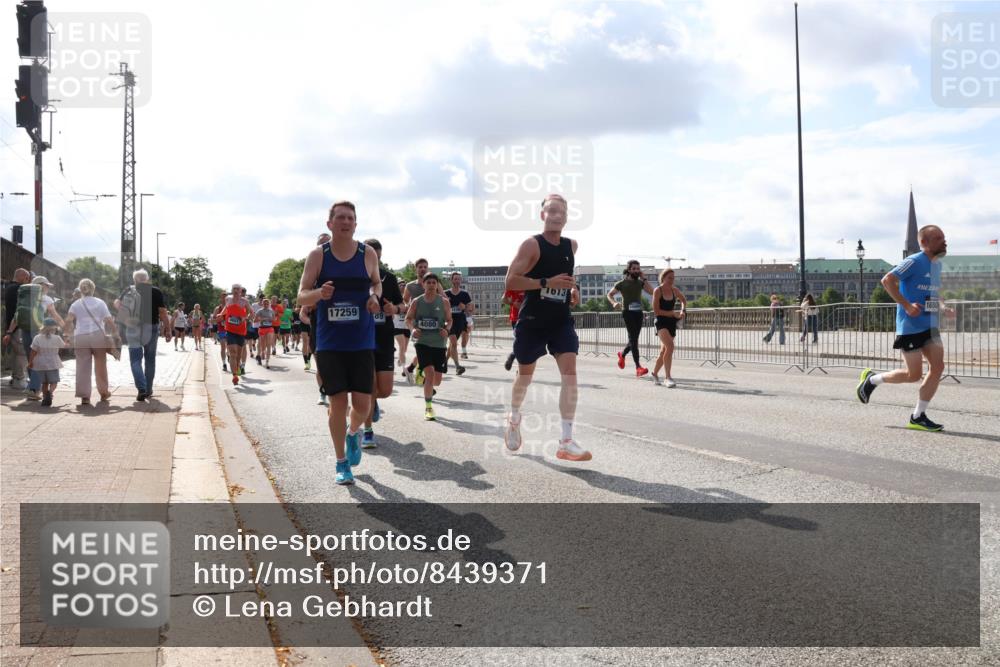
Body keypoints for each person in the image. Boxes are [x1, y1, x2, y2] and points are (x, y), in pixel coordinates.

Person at [297, 201, 381, 485]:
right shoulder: (318, 255)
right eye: (340, 217)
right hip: (331, 342)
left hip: (361, 340)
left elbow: (376, 283)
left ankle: (354, 431)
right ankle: (341, 462)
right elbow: (301, 296)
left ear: (356, 224)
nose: (346, 221)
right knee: (337, 402)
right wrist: (320, 292)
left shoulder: (366, 253)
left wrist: (375, 297)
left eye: (350, 218)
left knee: (362, 404)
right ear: (329, 223)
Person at [503, 194, 589, 462]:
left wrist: (572, 291)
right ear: (543, 215)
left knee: (570, 374)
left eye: (561, 211)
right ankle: (514, 416)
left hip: (561, 319)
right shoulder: (532, 245)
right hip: (533, 321)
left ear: (567, 216)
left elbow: (565, 281)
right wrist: (546, 282)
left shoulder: (571, 246)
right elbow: (511, 281)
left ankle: (566, 441)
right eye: (551, 211)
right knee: (525, 376)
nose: (556, 215)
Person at [856, 225, 949, 431]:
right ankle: (873, 380)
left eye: (944, 238)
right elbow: (887, 280)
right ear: (924, 243)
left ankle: (918, 416)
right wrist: (906, 306)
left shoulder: (937, 265)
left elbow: (934, 293)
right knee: (913, 375)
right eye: (938, 238)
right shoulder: (914, 261)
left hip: (930, 326)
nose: (944, 241)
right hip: (910, 327)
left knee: (938, 367)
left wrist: (943, 307)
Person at [362, 238, 404, 446]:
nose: (374, 261)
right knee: (368, 386)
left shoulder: (389, 278)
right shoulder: (357, 277)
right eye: (371, 256)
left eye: (377, 257)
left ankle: (373, 401)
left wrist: (394, 309)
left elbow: (401, 305)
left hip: (385, 337)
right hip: (361, 339)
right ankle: (367, 430)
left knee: (385, 390)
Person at [116, 269, 171, 401]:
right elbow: (163, 312)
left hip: (132, 327)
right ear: (146, 279)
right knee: (150, 359)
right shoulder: (155, 291)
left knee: (135, 360)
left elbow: (117, 303)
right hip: (151, 327)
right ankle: (148, 389)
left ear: (135, 280)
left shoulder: (129, 290)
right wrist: (168, 329)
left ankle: (141, 388)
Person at [405, 272, 452, 421]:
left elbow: (450, 320)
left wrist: (447, 330)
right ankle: (429, 407)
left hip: (439, 343)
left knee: (436, 381)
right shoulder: (417, 302)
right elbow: (408, 319)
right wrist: (413, 329)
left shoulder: (444, 302)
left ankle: (422, 378)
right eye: (428, 282)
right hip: (422, 342)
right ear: (423, 284)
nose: (431, 285)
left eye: (434, 283)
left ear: (437, 285)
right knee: (430, 373)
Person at [65, 278, 116, 405]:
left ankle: (85, 396)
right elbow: (109, 320)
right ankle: (104, 393)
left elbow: (68, 320)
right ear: (93, 289)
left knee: (82, 366)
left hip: (81, 336)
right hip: (97, 336)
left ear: (81, 289)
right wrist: (116, 333)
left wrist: (68, 335)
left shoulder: (76, 304)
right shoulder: (100, 303)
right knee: (100, 365)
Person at [608, 260, 655, 377]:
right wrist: (614, 303)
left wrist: (644, 278)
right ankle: (638, 367)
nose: (636, 271)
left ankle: (622, 355)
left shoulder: (640, 282)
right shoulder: (621, 283)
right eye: (634, 269)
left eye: (638, 269)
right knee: (634, 340)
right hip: (627, 313)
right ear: (629, 270)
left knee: (634, 339)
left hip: (638, 313)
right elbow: (609, 294)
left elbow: (652, 292)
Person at [651, 269, 687, 387]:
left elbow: (683, 300)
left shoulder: (674, 290)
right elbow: (656, 311)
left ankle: (655, 373)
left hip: (671, 323)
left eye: (673, 278)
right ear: (663, 278)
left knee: (664, 351)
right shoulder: (658, 290)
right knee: (670, 346)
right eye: (669, 278)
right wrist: (672, 313)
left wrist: (682, 310)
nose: (672, 280)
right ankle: (668, 378)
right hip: (661, 321)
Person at [2, 267, 32, 390]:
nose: (27, 280)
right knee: (21, 353)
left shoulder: (9, 288)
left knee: (15, 353)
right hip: (18, 325)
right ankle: (19, 379)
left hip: (10, 325)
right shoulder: (20, 289)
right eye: (26, 278)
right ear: (20, 276)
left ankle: (15, 377)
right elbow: (21, 310)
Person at [402, 258, 430, 383]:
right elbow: (404, 301)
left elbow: (444, 299)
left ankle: (411, 368)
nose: (423, 269)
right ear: (416, 269)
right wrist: (408, 308)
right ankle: (422, 378)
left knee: (426, 349)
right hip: (416, 323)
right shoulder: (410, 285)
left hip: (431, 322)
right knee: (424, 349)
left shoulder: (434, 283)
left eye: (425, 267)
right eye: (420, 267)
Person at [28, 318, 65, 407]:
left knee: (44, 383)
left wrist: (30, 362)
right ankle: (50, 392)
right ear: (55, 328)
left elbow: (33, 351)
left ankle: (45, 398)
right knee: (54, 382)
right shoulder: (57, 338)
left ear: (42, 327)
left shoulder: (37, 337)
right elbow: (63, 347)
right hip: (53, 362)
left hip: (40, 363)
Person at [444, 271, 472, 376]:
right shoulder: (446, 294)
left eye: (459, 279)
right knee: (454, 343)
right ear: (451, 280)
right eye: (455, 279)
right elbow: (441, 308)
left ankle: (444, 362)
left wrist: (464, 307)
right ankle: (457, 367)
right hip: (449, 321)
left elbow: (470, 309)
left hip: (460, 321)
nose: (457, 281)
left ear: (461, 280)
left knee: (452, 345)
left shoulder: (464, 294)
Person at [223, 284, 250, 384]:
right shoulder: (228, 299)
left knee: (238, 354)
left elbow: (251, 313)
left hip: (241, 330)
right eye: (234, 288)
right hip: (230, 329)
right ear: (232, 290)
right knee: (233, 352)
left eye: (237, 289)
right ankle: (234, 376)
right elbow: (226, 309)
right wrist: (221, 314)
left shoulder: (244, 301)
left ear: (240, 291)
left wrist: (244, 318)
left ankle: (237, 367)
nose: (235, 290)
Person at [501, 288, 525, 371]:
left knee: (524, 343)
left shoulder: (532, 282)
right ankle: (519, 366)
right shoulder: (514, 284)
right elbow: (503, 299)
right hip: (516, 318)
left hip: (529, 317)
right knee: (520, 342)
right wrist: (513, 304)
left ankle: (513, 355)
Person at [253, 297, 277, 369]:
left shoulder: (271, 311)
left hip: (269, 328)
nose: (266, 304)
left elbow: (274, 319)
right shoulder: (259, 311)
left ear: (269, 304)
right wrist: (262, 319)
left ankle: (267, 362)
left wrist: (272, 319)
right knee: (262, 344)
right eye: (265, 303)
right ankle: (262, 352)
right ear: (262, 304)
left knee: (269, 344)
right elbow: (254, 321)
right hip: (262, 329)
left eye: (267, 303)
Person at [212, 291, 230, 371]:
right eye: (223, 297)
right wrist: (219, 320)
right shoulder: (217, 308)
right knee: (223, 346)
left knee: (229, 347)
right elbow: (213, 320)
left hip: (230, 330)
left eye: (226, 297)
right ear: (221, 298)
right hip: (221, 330)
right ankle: (224, 363)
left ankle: (229, 354)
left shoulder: (230, 307)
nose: (224, 298)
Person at [395, 278, 410, 369]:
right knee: (402, 345)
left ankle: (400, 358)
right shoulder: (395, 297)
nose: (403, 286)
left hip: (407, 326)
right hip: (397, 326)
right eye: (400, 285)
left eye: (404, 285)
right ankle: (405, 369)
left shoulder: (410, 299)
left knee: (404, 348)